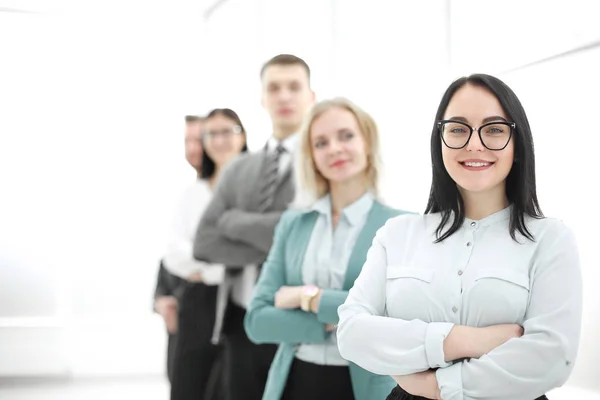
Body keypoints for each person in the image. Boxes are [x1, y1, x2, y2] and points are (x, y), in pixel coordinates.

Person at [337, 74, 582, 400]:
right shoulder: (397, 235)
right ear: (439, 142)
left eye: (494, 129)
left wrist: (439, 386)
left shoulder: (551, 239)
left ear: (517, 143)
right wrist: (463, 340)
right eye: (458, 129)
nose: (474, 144)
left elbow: (551, 358)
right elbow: (352, 333)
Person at [244, 98, 412, 400]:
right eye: (321, 143)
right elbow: (257, 320)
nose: (334, 148)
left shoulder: (402, 226)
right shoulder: (293, 224)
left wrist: (307, 297)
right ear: (311, 156)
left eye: (346, 136)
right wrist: (337, 319)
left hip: (363, 387)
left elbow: (398, 316)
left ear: (367, 142)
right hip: (293, 382)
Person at [192, 54, 316, 400]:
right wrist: (281, 232)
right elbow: (203, 242)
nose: (284, 96)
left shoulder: (324, 165)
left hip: (299, 323)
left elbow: (308, 239)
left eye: (294, 87)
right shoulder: (237, 168)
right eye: (274, 88)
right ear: (262, 98)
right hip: (241, 323)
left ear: (311, 96)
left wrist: (233, 222)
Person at [166, 109, 248, 400]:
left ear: (243, 135)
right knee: (189, 383)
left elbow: (252, 249)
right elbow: (175, 252)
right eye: (212, 133)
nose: (220, 140)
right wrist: (222, 265)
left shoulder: (256, 189)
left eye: (228, 131)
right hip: (200, 301)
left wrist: (205, 260)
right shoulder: (193, 193)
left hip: (243, 301)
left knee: (234, 386)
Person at [153, 115, 205, 382]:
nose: (194, 148)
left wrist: (203, 271)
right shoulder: (187, 195)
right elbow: (171, 256)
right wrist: (161, 298)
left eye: (200, 139)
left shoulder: (232, 194)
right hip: (183, 318)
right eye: (188, 141)